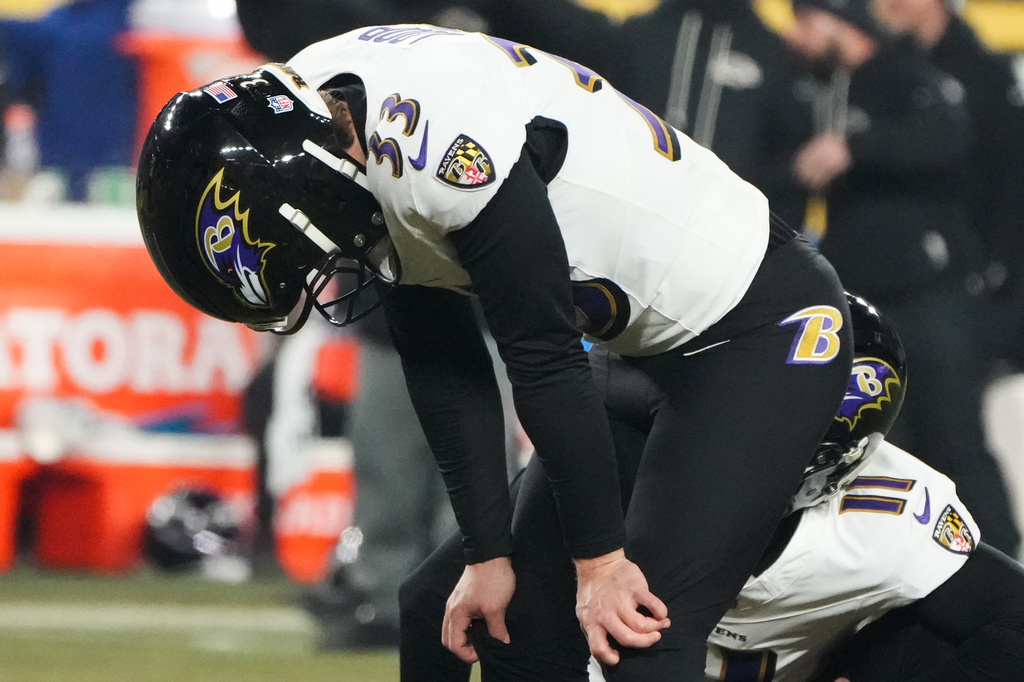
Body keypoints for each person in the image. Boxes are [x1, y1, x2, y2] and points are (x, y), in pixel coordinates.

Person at [135, 25, 854, 679]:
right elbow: (445, 366)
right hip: (644, 349)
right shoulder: (324, 112)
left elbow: (541, 354)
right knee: (457, 611)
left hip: (756, 329)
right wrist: (487, 555)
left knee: (638, 639)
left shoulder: (439, 144)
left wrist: (600, 564)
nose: (327, 271)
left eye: (310, 254)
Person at [783, 0, 1021, 557]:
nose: (797, 36)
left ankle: (1002, 567)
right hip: (866, 302)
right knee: (889, 448)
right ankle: (916, 569)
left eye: (808, 21)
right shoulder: (818, 89)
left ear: (840, 21)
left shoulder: (909, 74)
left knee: (954, 437)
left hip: (933, 294)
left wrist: (856, 148)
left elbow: (947, 140)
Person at [872, 0, 1024, 370]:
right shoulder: (880, 69)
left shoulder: (985, 73)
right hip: (905, 272)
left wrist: (997, 262)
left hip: (974, 275)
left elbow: (1008, 180)